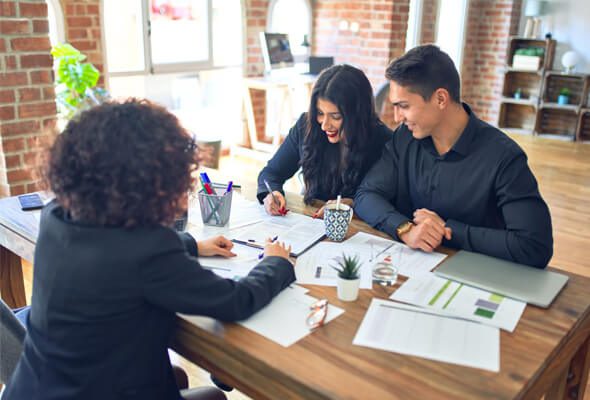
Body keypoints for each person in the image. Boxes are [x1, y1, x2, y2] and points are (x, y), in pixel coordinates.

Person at [3, 99, 295, 400]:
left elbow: (112, 256)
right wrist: (276, 263)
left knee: (177, 375)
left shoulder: (57, 215)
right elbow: (236, 301)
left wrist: (193, 244)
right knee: (214, 396)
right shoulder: (148, 249)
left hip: (37, 389)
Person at [354, 45, 553, 268]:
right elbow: (366, 194)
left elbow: (535, 246)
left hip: (477, 276)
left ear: (440, 98)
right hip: (410, 269)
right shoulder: (405, 138)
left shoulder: (505, 158)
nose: (397, 117)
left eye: (404, 106)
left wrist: (449, 231)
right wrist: (405, 229)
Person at [257, 64, 393, 217]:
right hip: (312, 223)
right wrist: (272, 193)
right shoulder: (306, 126)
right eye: (320, 113)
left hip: (361, 229)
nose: (324, 125)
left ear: (358, 114)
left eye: (335, 116)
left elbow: (390, 202)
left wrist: (354, 204)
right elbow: (271, 174)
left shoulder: (384, 142)